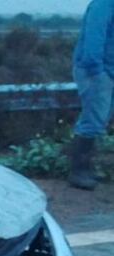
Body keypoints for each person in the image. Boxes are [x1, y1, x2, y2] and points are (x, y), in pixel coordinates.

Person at [71, 0, 114, 190]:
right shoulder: (103, 4)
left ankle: (87, 169)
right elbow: (94, 37)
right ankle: (78, 172)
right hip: (96, 71)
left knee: (100, 120)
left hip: (109, 71)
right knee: (93, 121)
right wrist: (96, 71)